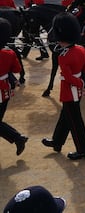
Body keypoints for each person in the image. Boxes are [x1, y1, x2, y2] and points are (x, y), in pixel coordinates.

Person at [42, 13, 85, 160]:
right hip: (78, 89)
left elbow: (69, 78)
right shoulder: (82, 49)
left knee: (75, 123)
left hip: (69, 91)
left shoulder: (63, 56)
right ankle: (57, 141)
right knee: (66, 117)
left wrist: (81, 83)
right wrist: (83, 83)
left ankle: (83, 150)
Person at [0, 18, 27, 156]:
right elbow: (17, 69)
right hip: (4, 90)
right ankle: (17, 138)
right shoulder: (9, 53)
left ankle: (17, 137)